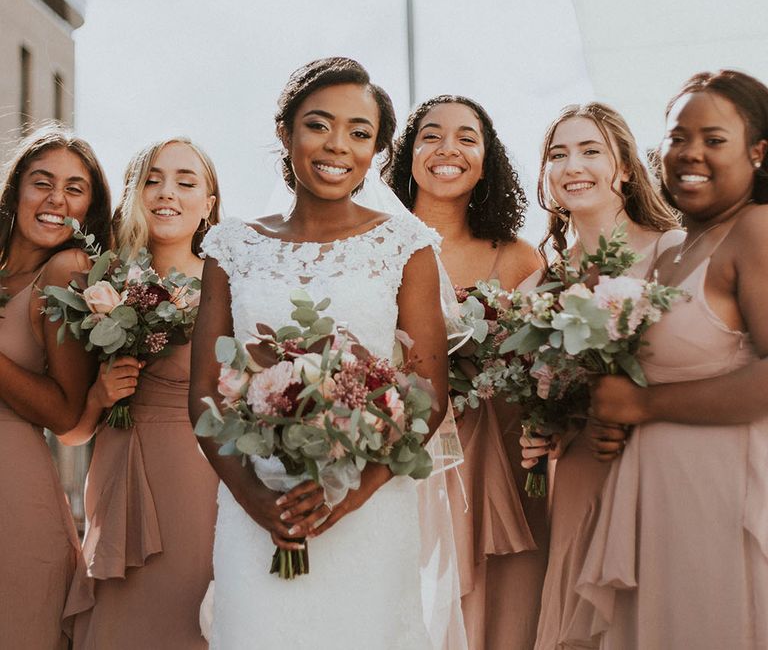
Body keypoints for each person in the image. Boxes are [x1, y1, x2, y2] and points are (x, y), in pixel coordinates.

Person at [189, 57, 449, 649]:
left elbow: (428, 395)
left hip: (369, 512)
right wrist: (256, 500)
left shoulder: (406, 246)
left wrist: (347, 495)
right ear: (285, 131)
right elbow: (205, 392)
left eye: (360, 132)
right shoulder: (231, 247)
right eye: (318, 124)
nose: (338, 146)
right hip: (256, 508)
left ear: (377, 149)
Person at [578, 70, 768, 649]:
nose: (691, 153)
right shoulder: (671, 253)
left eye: (714, 140)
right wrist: (609, 418)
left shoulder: (755, 231)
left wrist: (641, 403)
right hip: (656, 503)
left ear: (758, 153)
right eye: (678, 136)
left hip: (718, 498)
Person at [519, 102, 680, 650]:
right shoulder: (538, 288)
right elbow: (542, 393)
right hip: (584, 472)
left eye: (591, 150)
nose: (572, 166)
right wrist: (542, 426)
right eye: (558, 154)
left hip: (664, 463)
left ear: (627, 169)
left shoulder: (672, 253)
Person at [387, 94, 544, 649]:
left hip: (495, 457)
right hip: (398, 463)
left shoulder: (519, 257)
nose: (447, 148)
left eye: (466, 137)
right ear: (408, 154)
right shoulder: (373, 247)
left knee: (503, 614)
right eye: (431, 135)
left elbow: (540, 367)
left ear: (486, 159)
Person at [62, 138, 221, 649]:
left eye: (185, 181)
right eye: (151, 179)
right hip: (114, 475)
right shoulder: (97, 282)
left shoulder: (232, 286)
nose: (166, 192)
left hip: (200, 482)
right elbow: (72, 433)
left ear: (208, 206)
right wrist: (100, 396)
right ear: (132, 193)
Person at [0, 124, 111, 648]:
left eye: (74, 188)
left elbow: (67, 415)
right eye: (42, 182)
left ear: (88, 210)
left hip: (12, 499)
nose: (55, 200)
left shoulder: (66, 272)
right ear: (16, 189)